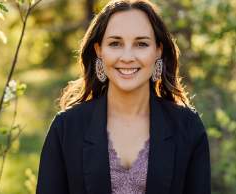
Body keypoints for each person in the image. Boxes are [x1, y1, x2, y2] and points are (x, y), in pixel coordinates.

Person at [36, 0, 211, 193]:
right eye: (115, 43)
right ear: (99, 50)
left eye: (141, 44)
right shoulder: (66, 128)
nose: (127, 57)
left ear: (158, 51)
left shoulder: (187, 127)